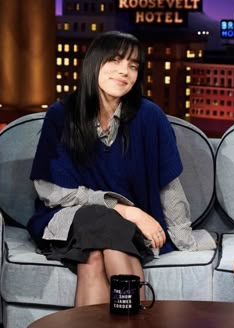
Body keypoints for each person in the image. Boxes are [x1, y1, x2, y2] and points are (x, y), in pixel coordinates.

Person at [27, 30, 216, 307]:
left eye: (133, 66)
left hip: (124, 229)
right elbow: (51, 191)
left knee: (92, 259)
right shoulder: (62, 115)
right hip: (69, 219)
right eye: (115, 61)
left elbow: (168, 184)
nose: (124, 72)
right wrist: (126, 210)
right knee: (106, 222)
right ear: (95, 63)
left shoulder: (150, 117)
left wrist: (183, 240)